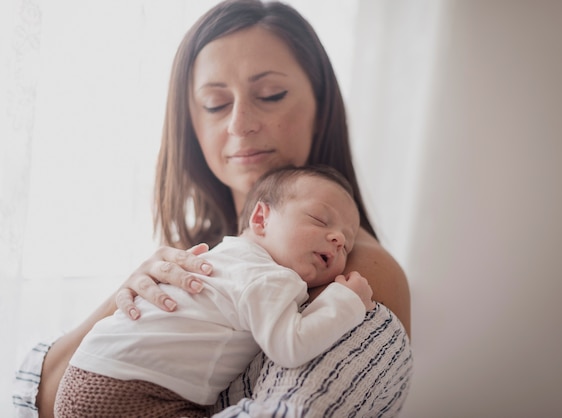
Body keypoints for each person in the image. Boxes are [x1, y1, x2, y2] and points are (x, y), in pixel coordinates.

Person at [14, 1, 413, 417]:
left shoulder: (354, 273)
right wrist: (123, 299)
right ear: (192, 124)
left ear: (322, 106)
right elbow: (40, 403)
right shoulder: (198, 254)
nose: (240, 123)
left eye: (270, 95)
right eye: (215, 104)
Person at [53, 165, 374, 417]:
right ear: (261, 219)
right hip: (133, 393)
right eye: (320, 220)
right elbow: (290, 346)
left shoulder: (222, 256)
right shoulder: (269, 275)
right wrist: (346, 301)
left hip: (84, 375)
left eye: (346, 242)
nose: (337, 239)